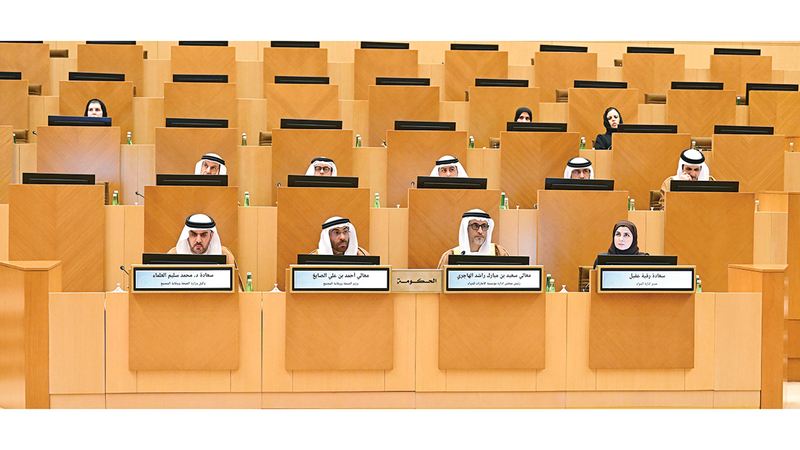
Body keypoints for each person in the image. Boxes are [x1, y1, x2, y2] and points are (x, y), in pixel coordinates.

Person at [168, 213, 244, 290]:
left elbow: (237, 291)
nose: (198, 240)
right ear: (187, 235)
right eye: (194, 234)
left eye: (203, 235)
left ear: (211, 236)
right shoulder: (174, 254)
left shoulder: (224, 254)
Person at [437, 209, 509, 269]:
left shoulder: (498, 253)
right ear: (466, 228)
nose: (480, 231)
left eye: (484, 226)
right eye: (475, 226)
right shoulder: (451, 256)